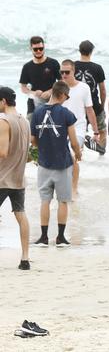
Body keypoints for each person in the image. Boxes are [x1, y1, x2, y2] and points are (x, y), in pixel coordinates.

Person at [30, 81, 82, 247]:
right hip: (63, 163)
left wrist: (44, 147)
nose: (67, 100)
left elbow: (33, 140)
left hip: (44, 164)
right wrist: (78, 153)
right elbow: (74, 141)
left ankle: (44, 237)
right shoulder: (66, 113)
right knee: (63, 201)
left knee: (45, 201)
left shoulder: (37, 112)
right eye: (67, 97)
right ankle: (60, 237)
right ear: (62, 94)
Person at [0, 87, 31, 270]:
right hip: (19, 177)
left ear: (3, 101)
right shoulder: (24, 120)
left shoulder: (4, 121)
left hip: (2, 178)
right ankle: (25, 258)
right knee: (21, 215)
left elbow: (2, 152)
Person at [60, 60, 99, 197]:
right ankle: (63, 185)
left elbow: (90, 110)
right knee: (61, 158)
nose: (64, 75)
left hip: (78, 127)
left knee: (72, 156)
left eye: (67, 72)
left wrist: (96, 131)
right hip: (60, 127)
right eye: (62, 72)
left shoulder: (84, 88)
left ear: (74, 71)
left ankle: (73, 188)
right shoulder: (58, 87)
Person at [19, 36, 60, 122]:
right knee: (31, 128)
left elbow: (62, 83)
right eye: (35, 49)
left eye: (41, 48)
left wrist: (50, 91)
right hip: (33, 102)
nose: (38, 51)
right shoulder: (27, 67)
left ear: (44, 47)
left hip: (51, 100)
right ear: (31, 48)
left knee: (52, 127)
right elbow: (23, 88)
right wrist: (34, 93)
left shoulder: (53, 63)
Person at [75, 40, 107, 149]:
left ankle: (79, 154)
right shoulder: (97, 68)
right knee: (101, 129)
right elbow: (102, 90)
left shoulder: (73, 66)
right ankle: (101, 152)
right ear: (91, 51)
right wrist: (102, 105)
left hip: (78, 106)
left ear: (79, 51)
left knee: (79, 131)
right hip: (94, 105)